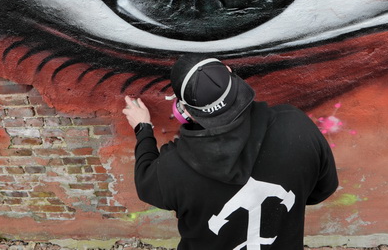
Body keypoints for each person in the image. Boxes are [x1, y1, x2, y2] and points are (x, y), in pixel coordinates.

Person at [122, 54, 339, 249]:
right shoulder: (296, 125)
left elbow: (145, 182)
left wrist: (143, 129)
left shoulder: (173, 167)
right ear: (230, 74)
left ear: (184, 111)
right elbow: (322, 190)